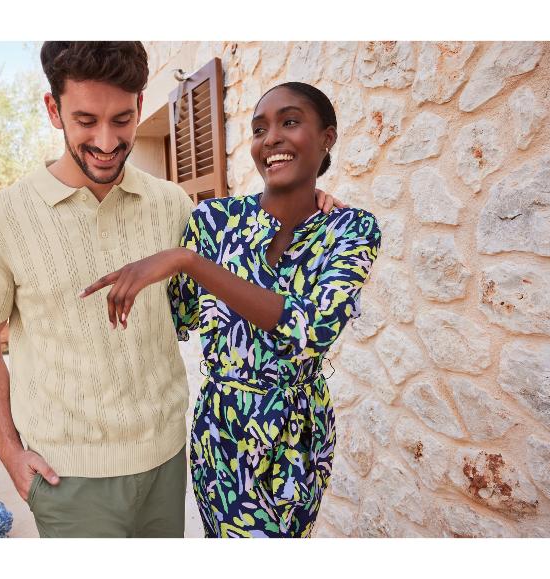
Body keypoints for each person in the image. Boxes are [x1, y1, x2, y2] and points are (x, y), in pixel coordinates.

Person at [0, 42, 342, 538]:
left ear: (141, 105)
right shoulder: (0, 218)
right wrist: (10, 452)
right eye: (85, 120)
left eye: (122, 120)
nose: (106, 141)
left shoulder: (172, 205)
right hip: (68, 476)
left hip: (168, 461)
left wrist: (309, 199)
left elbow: (235, 258)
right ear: (53, 110)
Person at [81, 81, 381, 537]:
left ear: (327, 138)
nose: (271, 138)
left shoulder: (352, 229)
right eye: (259, 129)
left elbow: (316, 327)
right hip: (222, 429)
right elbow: (175, 317)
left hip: (299, 432)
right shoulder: (214, 222)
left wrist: (189, 261)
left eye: (290, 122)